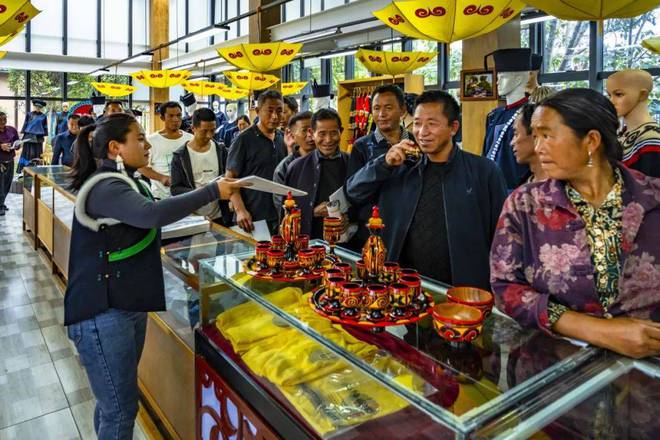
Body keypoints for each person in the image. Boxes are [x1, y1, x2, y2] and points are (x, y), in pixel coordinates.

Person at [64, 113, 242, 440]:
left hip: (124, 305)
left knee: (113, 405)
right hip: (102, 312)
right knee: (119, 410)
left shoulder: (130, 181)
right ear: (116, 148)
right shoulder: (105, 186)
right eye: (140, 139)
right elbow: (151, 216)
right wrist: (212, 191)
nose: (147, 145)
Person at [490, 88, 660, 359]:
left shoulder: (653, 199)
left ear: (591, 140)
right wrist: (597, 330)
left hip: (646, 377)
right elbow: (505, 287)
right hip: (552, 370)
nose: (538, 147)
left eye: (547, 135)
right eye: (535, 136)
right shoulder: (525, 204)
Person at [347, 90, 507, 290]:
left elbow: (503, 238)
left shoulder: (483, 172)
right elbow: (353, 192)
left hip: (463, 291)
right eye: (417, 123)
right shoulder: (401, 167)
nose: (422, 131)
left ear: (453, 128)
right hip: (403, 287)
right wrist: (384, 163)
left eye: (432, 124)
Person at [346, 84, 412, 250]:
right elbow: (353, 192)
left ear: (402, 110)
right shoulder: (361, 146)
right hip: (371, 231)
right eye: (376, 108)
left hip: (408, 230)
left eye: (388, 108)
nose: (381, 114)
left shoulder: (415, 143)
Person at [226, 90, 287, 233]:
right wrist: (240, 210)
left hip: (278, 216)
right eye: (269, 111)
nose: (275, 116)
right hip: (250, 218)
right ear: (258, 111)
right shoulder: (244, 139)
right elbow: (229, 180)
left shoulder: (282, 138)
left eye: (279, 111)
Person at [284, 108, 349, 238]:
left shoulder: (352, 163)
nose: (328, 140)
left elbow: (366, 204)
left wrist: (349, 217)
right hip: (308, 245)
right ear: (312, 133)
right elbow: (286, 214)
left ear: (341, 132)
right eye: (322, 134)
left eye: (334, 133)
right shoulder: (296, 167)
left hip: (346, 243)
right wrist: (312, 212)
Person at [170, 108, 231, 225]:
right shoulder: (180, 156)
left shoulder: (221, 150)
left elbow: (229, 178)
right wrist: (202, 193)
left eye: (213, 131)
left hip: (219, 216)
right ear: (193, 128)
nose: (209, 135)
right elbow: (175, 189)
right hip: (193, 218)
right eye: (204, 131)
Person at [606, 69, 660, 177]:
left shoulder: (652, 138)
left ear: (642, 95)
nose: (611, 101)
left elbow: (652, 189)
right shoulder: (622, 134)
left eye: (619, 94)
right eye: (609, 95)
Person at [138, 101, 193, 200]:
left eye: (178, 115)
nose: (176, 119)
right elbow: (141, 167)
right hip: (161, 197)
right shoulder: (151, 141)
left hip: (187, 196)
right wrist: (162, 178)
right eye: (171, 116)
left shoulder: (190, 139)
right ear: (162, 118)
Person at [273, 111, 314, 215]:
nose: (310, 135)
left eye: (313, 130)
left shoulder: (327, 159)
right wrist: (312, 211)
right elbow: (281, 206)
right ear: (293, 135)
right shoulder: (284, 167)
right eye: (304, 130)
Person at [511, 103, 548, 186]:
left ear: (535, 135)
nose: (512, 142)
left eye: (516, 134)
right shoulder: (523, 186)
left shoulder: (564, 188)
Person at [17, 99, 49, 173]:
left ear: (41, 108)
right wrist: (23, 136)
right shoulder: (29, 114)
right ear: (34, 106)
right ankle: (24, 170)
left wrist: (45, 136)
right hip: (28, 137)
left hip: (38, 138)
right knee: (27, 153)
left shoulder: (44, 116)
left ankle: (37, 171)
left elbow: (45, 127)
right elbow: (25, 124)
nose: (38, 108)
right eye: (36, 106)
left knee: (37, 154)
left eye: (39, 107)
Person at [0, 112, 19, 215]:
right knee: (0, 185)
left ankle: (2, 203)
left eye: (4, 119)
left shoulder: (12, 129)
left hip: (10, 161)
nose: (3, 122)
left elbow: (17, 142)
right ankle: (0, 206)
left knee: (7, 184)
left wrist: (17, 145)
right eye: (0, 120)